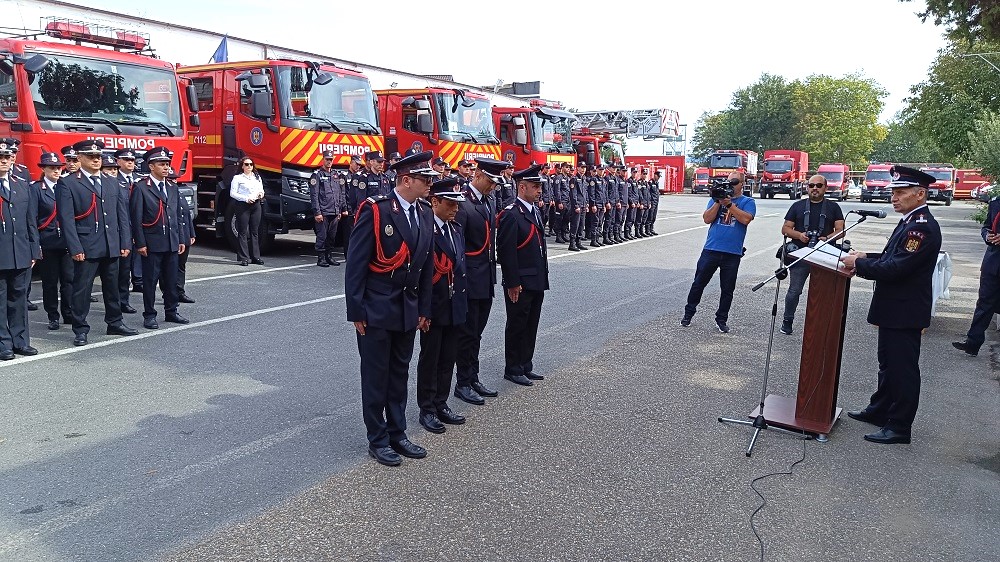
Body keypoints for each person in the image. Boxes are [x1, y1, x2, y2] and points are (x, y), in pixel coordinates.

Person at [345, 150, 437, 467]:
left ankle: (398, 433)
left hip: (407, 308)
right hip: (376, 308)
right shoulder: (377, 211)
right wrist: (355, 310)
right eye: (424, 179)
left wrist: (424, 308)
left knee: (399, 375)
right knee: (376, 377)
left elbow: (425, 267)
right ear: (406, 179)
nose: (430, 184)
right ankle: (378, 439)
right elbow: (356, 265)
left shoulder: (425, 212)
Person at [840, 166, 942, 445]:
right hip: (895, 308)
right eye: (893, 192)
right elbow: (892, 256)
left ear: (920, 194)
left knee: (902, 369)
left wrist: (858, 264)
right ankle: (881, 409)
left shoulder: (922, 228)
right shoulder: (911, 221)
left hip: (904, 310)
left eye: (901, 192)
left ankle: (899, 425)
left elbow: (896, 268)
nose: (894, 198)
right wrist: (865, 256)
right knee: (888, 364)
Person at [57, 140, 138, 346]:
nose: (95, 160)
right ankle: (80, 328)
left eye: (98, 157)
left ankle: (115, 321)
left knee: (113, 287)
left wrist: (125, 242)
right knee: (82, 289)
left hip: (111, 243)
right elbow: (66, 219)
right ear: (80, 158)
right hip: (86, 245)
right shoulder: (68, 183)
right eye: (91, 157)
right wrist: (75, 247)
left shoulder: (112, 181)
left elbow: (122, 215)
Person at [452, 157, 509, 405]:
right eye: (491, 181)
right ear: (478, 175)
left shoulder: (488, 200)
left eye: (496, 183)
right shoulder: (463, 203)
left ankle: (472, 377)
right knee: (466, 333)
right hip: (469, 279)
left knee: (477, 332)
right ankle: (463, 382)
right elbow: (458, 247)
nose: (494, 187)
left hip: (485, 277)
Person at [415, 177, 468, 434]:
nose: (455, 209)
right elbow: (422, 274)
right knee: (431, 358)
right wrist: (423, 310)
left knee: (448, 357)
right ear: (434, 201)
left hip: (454, 302)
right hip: (435, 304)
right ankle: (427, 408)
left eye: (457, 204)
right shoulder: (426, 229)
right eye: (450, 204)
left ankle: (441, 402)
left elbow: (460, 269)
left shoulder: (455, 228)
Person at [681, 172, 756, 333]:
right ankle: (688, 313)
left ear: (742, 184)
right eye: (729, 182)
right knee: (698, 284)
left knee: (727, 289)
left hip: (732, 253)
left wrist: (729, 205)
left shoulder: (748, 201)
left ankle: (721, 319)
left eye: (734, 182)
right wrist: (718, 201)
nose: (730, 185)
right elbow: (707, 219)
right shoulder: (715, 199)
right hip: (711, 249)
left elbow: (745, 219)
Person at [497, 164, 550, 386]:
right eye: (535, 186)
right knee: (517, 324)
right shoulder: (511, 214)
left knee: (531, 324)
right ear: (522, 187)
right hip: (520, 281)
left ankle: (526, 364)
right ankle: (513, 367)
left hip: (536, 277)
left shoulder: (534, 210)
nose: (539, 191)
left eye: (540, 186)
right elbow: (507, 252)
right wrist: (512, 282)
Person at [130, 146, 189, 330]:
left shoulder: (171, 187)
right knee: (150, 282)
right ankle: (149, 314)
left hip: (171, 241)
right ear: (151, 166)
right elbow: (136, 217)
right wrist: (140, 243)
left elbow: (176, 215)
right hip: (152, 243)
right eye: (162, 164)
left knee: (171, 280)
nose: (166, 168)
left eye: (167, 164)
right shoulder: (141, 187)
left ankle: (171, 311)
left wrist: (180, 238)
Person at [778, 175, 845, 335]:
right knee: (794, 290)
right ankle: (787, 321)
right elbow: (785, 229)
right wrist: (800, 235)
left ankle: (822, 324)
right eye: (811, 185)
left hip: (824, 255)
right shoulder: (797, 206)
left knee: (825, 292)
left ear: (825, 188)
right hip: (801, 254)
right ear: (807, 187)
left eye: (819, 185)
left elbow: (841, 231)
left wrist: (826, 239)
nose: (815, 188)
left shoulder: (834, 207)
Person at [0, 137, 40, 359]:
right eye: (0, 157)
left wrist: (34, 249)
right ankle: (3, 343)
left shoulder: (20, 184)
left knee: (19, 299)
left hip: (21, 251)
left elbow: (30, 220)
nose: (4, 161)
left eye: (7, 157)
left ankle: (20, 341)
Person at [953, 194, 1000, 357]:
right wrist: (988, 236)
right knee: (984, 304)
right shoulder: (996, 201)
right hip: (993, 263)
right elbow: (987, 226)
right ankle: (972, 343)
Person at [33, 152, 74, 331]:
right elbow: (33, 219)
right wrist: (36, 245)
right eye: (52, 168)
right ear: (44, 169)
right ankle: (53, 315)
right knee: (50, 282)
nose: (57, 171)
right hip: (47, 241)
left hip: (65, 241)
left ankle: (68, 312)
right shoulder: (36, 189)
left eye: (59, 168)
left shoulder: (66, 186)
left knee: (69, 280)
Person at [310, 149, 348, 267]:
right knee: (322, 236)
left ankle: (329, 257)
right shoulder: (317, 175)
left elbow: (341, 193)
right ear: (323, 159)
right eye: (327, 159)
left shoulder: (336, 175)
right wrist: (317, 212)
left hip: (335, 211)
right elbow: (314, 195)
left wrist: (341, 209)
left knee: (332, 237)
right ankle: (321, 258)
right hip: (323, 212)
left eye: (331, 159)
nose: (329, 162)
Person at [114, 148, 140, 313]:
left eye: (132, 160)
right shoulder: (113, 180)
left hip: (136, 229)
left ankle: (126, 297)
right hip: (120, 230)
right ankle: (120, 301)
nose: (130, 163)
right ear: (118, 161)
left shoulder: (138, 181)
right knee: (121, 269)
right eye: (126, 160)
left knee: (130, 267)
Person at [230, 157, 264, 266]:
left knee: (255, 231)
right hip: (243, 205)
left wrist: (260, 194)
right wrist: (245, 198)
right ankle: (244, 257)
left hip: (256, 205)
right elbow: (233, 193)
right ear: (242, 166)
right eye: (247, 164)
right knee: (243, 231)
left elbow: (261, 190)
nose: (249, 166)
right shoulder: (237, 178)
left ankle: (256, 257)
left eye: (251, 164)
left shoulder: (257, 177)